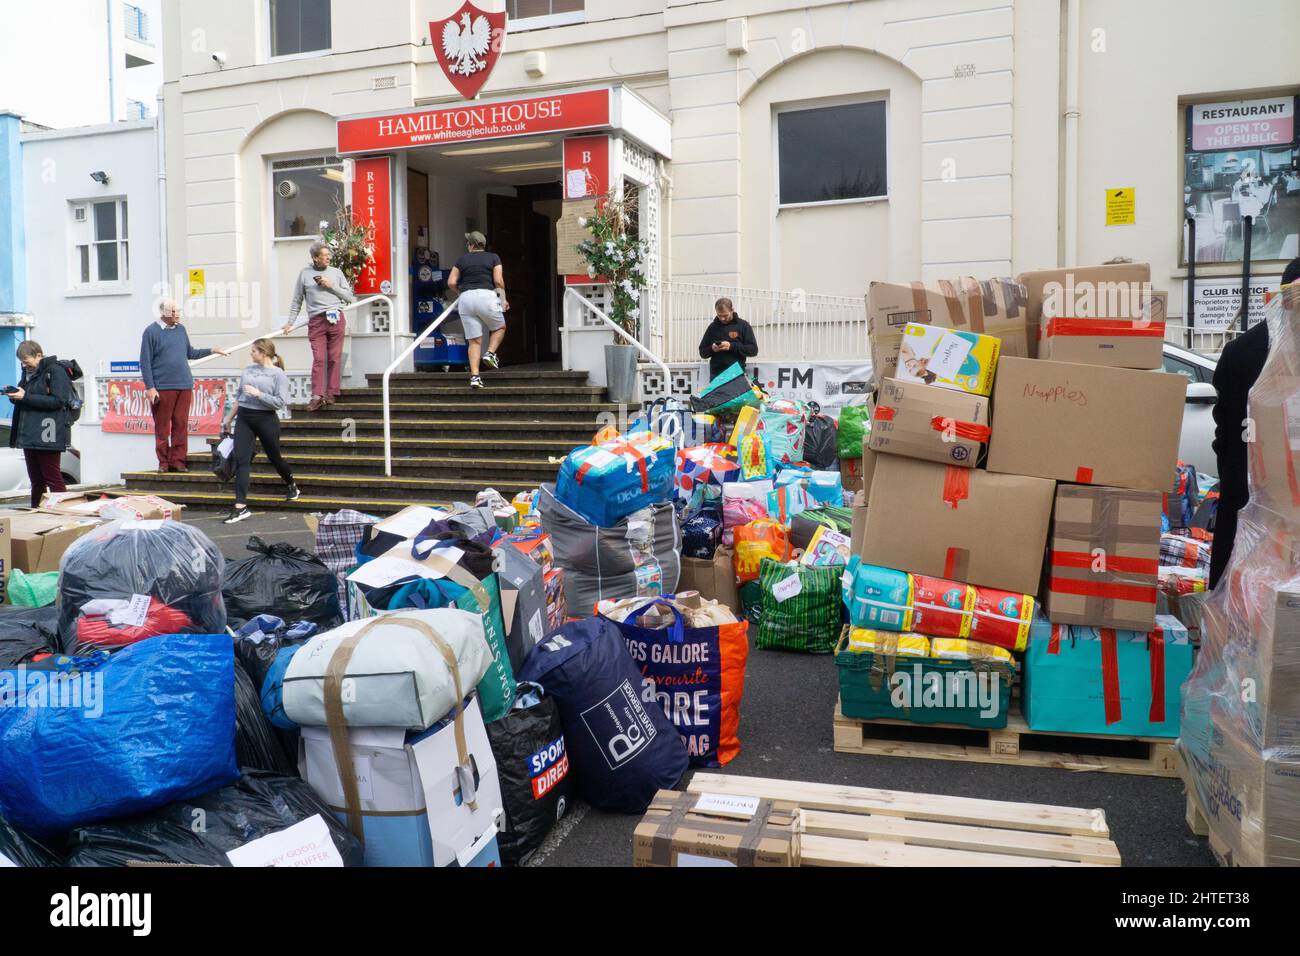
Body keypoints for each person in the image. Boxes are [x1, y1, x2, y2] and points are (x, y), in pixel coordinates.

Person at [1210, 255, 1300, 588]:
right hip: (1267, 507)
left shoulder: (1240, 350)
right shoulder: (1250, 351)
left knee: (1247, 601)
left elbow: (1225, 437)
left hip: (1248, 501)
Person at [140, 300, 227, 472]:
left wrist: (212, 350)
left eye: (178, 311)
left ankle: (178, 461)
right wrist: (150, 387)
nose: (177, 314)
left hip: (184, 384)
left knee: (181, 424)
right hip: (162, 386)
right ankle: (163, 463)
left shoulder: (181, 329)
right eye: (173, 311)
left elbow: (190, 353)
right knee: (162, 427)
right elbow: (145, 362)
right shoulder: (150, 332)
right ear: (163, 312)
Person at [221, 338, 300, 525]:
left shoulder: (278, 374)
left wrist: (258, 394)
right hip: (245, 418)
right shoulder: (247, 370)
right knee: (242, 461)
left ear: (263, 353)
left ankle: (291, 484)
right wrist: (229, 418)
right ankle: (240, 507)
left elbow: (280, 402)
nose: (251, 354)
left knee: (275, 457)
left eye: (254, 351)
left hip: (266, 419)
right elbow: (240, 397)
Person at [282, 242, 355, 410]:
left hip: (336, 318)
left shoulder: (336, 273)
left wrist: (332, 286)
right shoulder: (304, 274)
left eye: (329, 254)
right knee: (319, 358)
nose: (328, 257)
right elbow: (297, 300)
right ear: (315, 258)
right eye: (325, 255)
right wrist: (290, 323)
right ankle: (317, 395)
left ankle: (331, 393)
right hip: (316, 321)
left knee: (334, 357)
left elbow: (349, 297)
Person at [5, 341, 74, 509]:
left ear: (39, 355)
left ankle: (64, 514)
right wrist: (14, 395)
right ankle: (36, 513)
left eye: (26, 360)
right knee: (36, 481)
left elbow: (59, 401)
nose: (23, 364)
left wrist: (25, 397)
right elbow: (27, 399)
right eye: (21, 361)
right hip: (29, 433)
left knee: (53, 478)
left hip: (47, 432)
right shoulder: (28, 372)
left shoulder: (56, 371)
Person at [447, 231, 509, 390]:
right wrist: (503, 300)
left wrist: (461, 292)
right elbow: (498, 281)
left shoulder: (461, 260)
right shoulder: (494, 257)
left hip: (466, 299)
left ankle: (475, 377)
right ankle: (490, 353)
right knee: (499, 327)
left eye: (468, 243)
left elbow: (451, 282)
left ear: (472, 245)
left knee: (474, 341)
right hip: (487, 296)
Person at [698, 297, 758, 379]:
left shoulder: (743, 325)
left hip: (737, 373)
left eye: (725, 315)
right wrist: (712, 349)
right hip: (717, 375)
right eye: (719, 315)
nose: (722, 318)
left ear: (732, 310)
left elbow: (753, 350)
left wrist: (731, 346)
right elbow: (702, 352)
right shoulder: (712, 327)